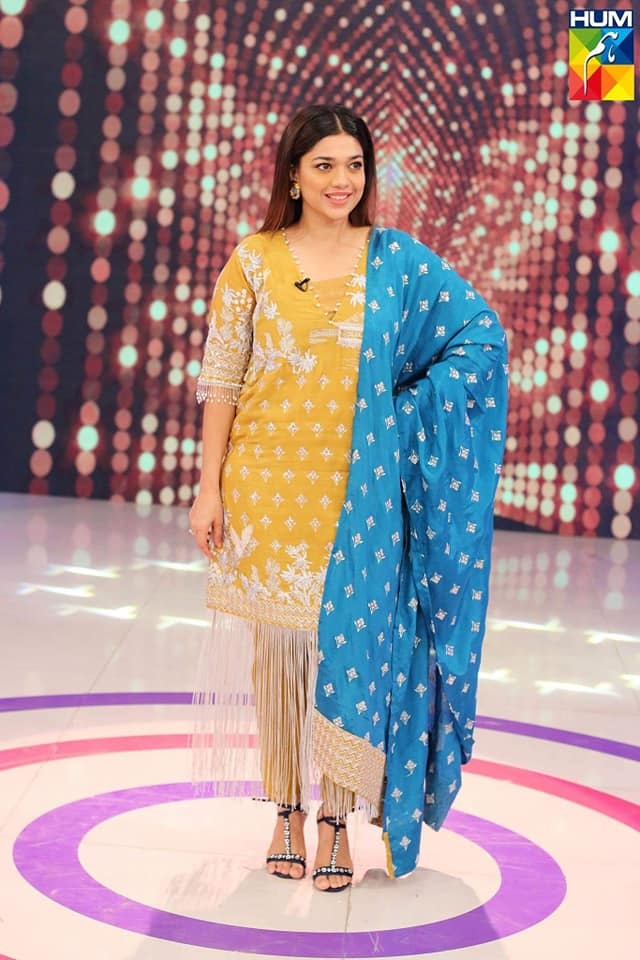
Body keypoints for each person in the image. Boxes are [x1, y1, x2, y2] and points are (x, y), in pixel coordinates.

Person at [189, 104, 508, 891]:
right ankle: (285, 812)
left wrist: (410, 411)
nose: (342, 180)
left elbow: (480, 337)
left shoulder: (395, 260)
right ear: (294, 175)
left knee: (354, 652)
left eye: (355, 165)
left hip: (360, 497)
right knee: (280, 661)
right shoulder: (254, 261)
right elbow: (222, 382)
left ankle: (336, 819)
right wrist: (207, 488)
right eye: (324, 165)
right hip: (267, 489)